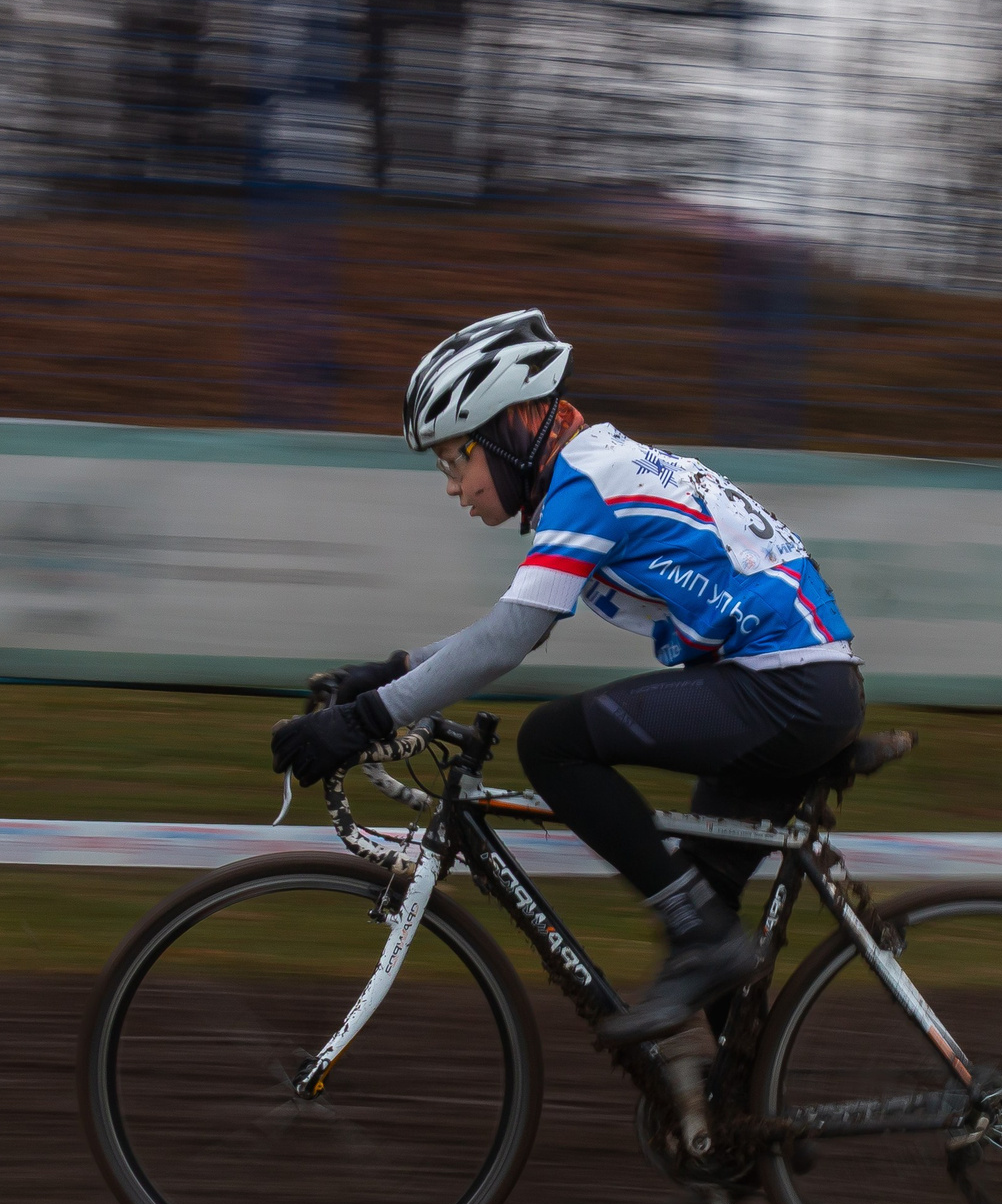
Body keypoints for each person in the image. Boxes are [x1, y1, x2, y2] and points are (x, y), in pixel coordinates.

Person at [270, 308, 863, 1044]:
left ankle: (706, 948)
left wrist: (364, 719)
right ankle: (738, 1120)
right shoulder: (593, 468)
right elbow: (513, 623)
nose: (453, 487)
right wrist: (387, 674)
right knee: (702, 911)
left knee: (553, 742)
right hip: (798, 686)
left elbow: (510, 637)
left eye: (457, 459)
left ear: (508, 433)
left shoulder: (589, 480)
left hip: (784, 688)